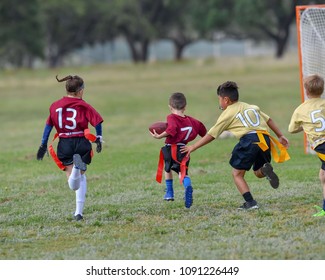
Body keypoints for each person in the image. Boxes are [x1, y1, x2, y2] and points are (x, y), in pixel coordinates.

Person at [181, 81, 290, 210]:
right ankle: (265, 170)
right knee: (258, 172)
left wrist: (193, 147)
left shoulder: (227, 113)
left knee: (237, 174)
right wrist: (280, 135)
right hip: (265, 139)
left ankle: (250, 203)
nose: (219, 102)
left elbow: (211, 135)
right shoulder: (251, 106)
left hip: (249, 140)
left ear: (226, 100)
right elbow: (268, 120)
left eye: (219, 100)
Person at [36, 74, 104, 221]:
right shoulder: (83, 105)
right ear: (80, 91)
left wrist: (43, 144)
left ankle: (78, 212)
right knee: (81, 175)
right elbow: (97, 121)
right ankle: (78, 212)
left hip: (65, 142)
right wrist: (99, 138)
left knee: (73, 182)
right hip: (81, 141)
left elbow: (48, 126)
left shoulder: (55, 105)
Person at [151, 92, 207, 208]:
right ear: (185, 107)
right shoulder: (192, 121)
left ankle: (169, 193)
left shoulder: (171, 117)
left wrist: (159, 136)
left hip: (171, 148)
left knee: (168, 169)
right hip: (184, 149)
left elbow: (172, 129)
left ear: (170, 107)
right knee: (183, 172)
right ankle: (187, 187)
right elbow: (203, 131)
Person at [289, 74, 325, 217]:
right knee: (323, 175)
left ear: (306, 91)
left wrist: (304, 126)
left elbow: (291, 129)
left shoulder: (301, 109)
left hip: (321, 145)